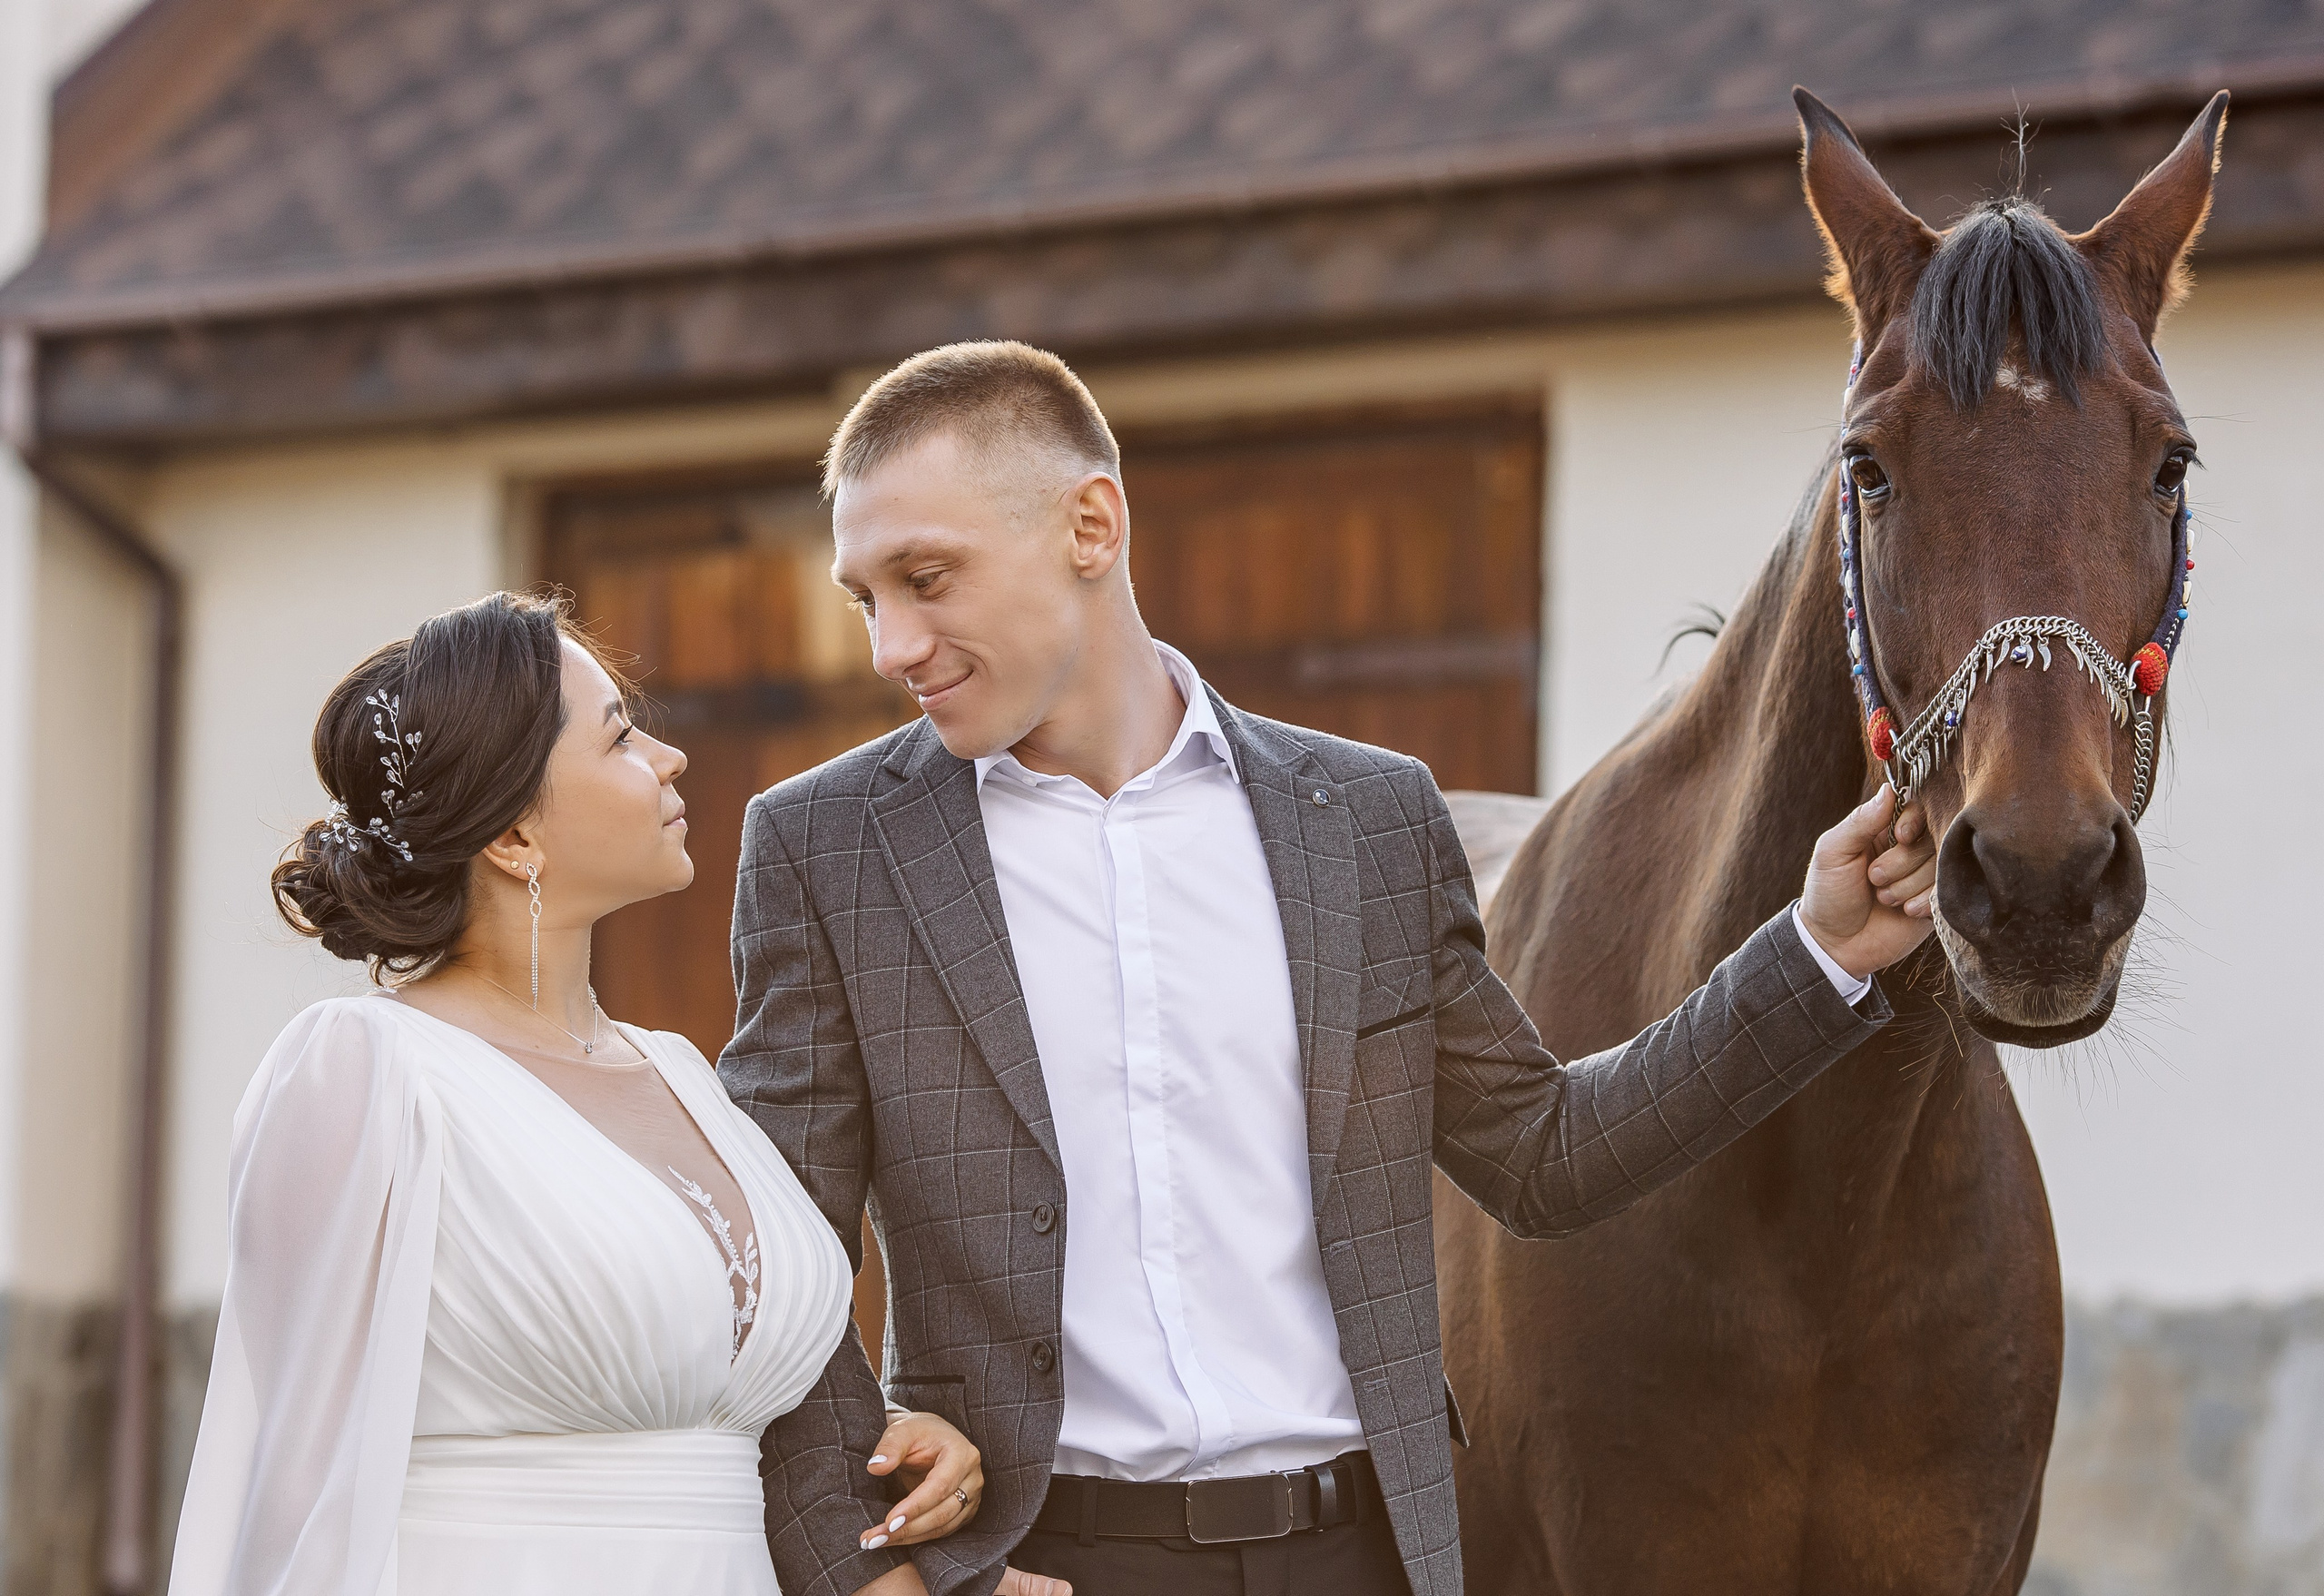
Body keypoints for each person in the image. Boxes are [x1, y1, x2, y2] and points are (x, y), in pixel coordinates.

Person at [720, 341, 1941, 1596]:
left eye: (926, 579)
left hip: (1361, 1556)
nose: (890, 644)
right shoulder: (828, 849)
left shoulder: (1362, 819)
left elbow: (1545, 1153)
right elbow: (776, 1271)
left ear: (1091, 524)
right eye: (868, 597)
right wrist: (882, 1584)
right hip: (1036, 1565)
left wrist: (1819, 952)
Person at [170, 592, 988, 1596]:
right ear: (516, 838)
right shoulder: (366, 1070)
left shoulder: (684, 1075)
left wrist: (900, 1436)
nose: (669, 756)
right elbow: (299, 1483)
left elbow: (732, 1410)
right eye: (620, 738)